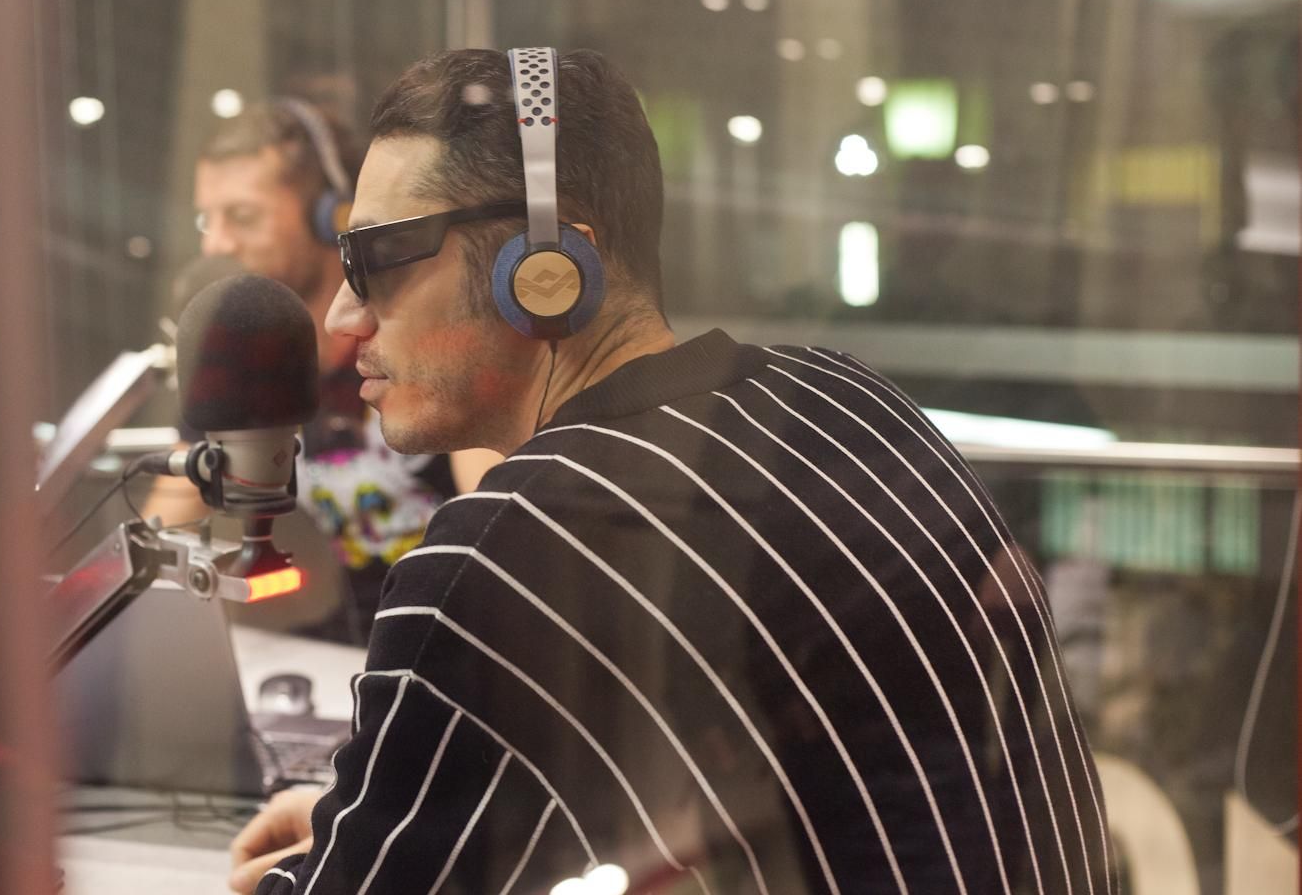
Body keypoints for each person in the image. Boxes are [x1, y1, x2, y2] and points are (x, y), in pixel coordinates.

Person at [228, 48, 1111, 894]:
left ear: (541, 269)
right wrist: (381, 818)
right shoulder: (851, 401)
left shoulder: (497, 559)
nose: (343, 317)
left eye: (377, 261)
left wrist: (345, 846)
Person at [163, 98, 498, 642]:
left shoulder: (420, 340)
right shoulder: (234, 362)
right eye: (209, 220)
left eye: (242, 217)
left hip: (440, 646)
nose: (216, 244)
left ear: (330, 219)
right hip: (314, 655)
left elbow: (499, 527)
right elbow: (167, 529)